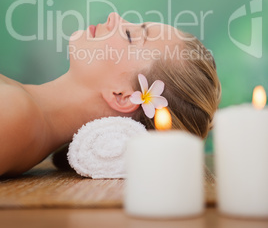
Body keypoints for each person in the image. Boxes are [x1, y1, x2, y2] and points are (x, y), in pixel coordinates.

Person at [0, 12, 221, 177]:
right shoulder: (18, 103)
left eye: (129, 35)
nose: (114, 17)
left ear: (122, 96)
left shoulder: (14, 113)